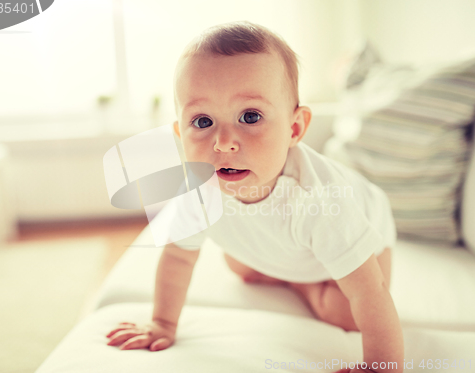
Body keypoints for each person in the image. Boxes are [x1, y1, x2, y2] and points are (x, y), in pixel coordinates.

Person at [106, 21, 403, 373]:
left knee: (344, 312)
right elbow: (178, 258)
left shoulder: (319, 202)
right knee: (237, 264)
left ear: (294, 129)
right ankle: (293, 275)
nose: (224, 142)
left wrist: (382, 368)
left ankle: (304, 287)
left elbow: (370, 295)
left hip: (369, 232)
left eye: (250, 116)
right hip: (296, 246)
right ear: (179, 134)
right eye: (202, 122)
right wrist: (163, 323)